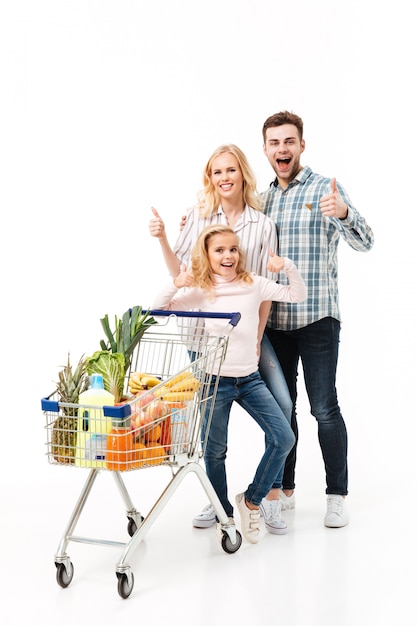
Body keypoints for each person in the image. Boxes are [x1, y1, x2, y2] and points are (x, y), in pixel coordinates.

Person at [149, 143, 294, 529]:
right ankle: (217, 503)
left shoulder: (262, 225)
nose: (225, 177)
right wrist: (163, 238)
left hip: (248, 332)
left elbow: (266, 282)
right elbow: (179, 273)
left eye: (231, 170)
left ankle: (267, 496)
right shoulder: (198, 217)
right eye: (217, 172)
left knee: (282, 407)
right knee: (214, 436)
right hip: (203, 337)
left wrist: (259, 331)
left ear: (242, 174)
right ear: (210, 178)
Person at [152, 224, 307, 543]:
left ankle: (251, 500)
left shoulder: (255, 284)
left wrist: (287, 267)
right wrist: (176, 283)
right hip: (214, 382)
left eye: (233, 249)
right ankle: (223, 512)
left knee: (283, 436)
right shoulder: (201, 289)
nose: (228, 255)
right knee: (215, 451)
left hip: (249, 380)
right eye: (219, 250)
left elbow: (296, 294)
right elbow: (159, 312)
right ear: (207, 256)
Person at [261, 111, 375, 527]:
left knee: (324, 407)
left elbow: (366, 241)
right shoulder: (263, 198)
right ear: (266, 150)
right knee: (281, 407)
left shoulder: (325, 188)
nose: (282, 149)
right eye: (274, 143)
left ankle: (336, 494)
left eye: (289, 141)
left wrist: (344, 213)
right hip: (274, 321)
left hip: (318, 319)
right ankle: (285, 489)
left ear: (301, 145)